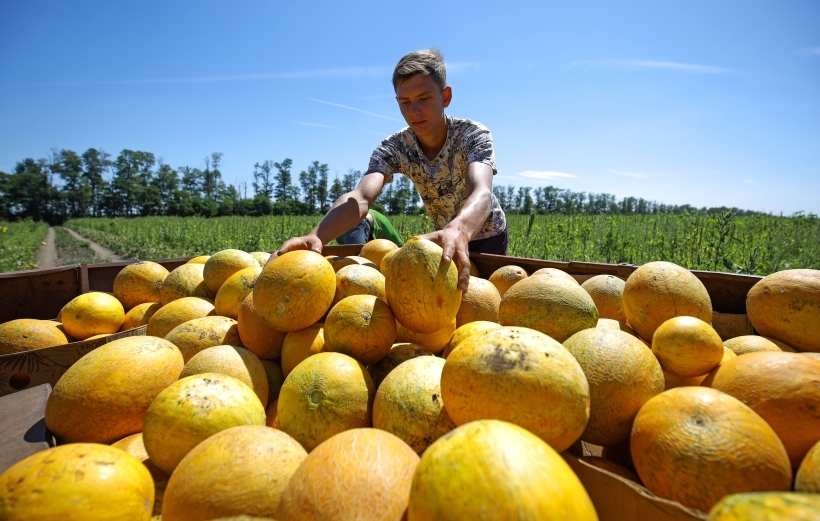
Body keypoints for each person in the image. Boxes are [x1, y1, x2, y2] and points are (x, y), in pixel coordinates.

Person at [274, 48, 507, 291]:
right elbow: (361, 197)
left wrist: (459, 229)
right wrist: (317, 235)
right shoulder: (394, 148)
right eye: (405, 102)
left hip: (487, 235)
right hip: (444, 236)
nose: (414, 111)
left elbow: (481, 192)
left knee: (483, 299)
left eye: (424, 99)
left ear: (445, 97)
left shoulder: (472, 134)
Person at [336, 208, 404, 246]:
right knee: (354, 262)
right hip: (359, 222)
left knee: (345, 260)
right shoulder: (398, 245)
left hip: (337, 221)